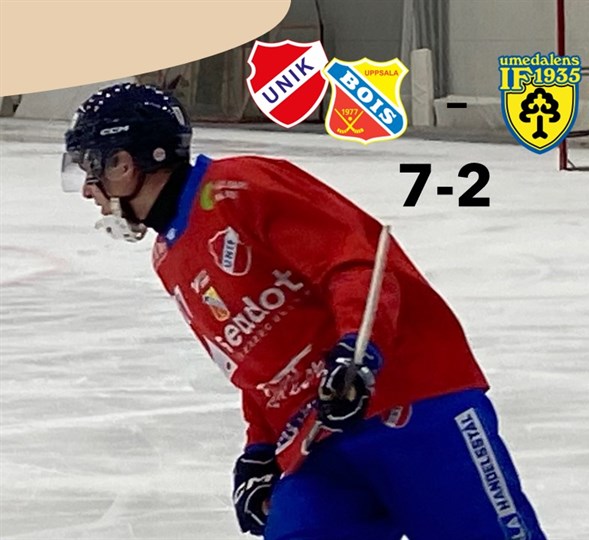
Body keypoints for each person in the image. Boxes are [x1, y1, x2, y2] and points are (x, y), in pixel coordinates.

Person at [61, 83, 545, 540]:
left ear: (126, 162)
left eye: (92, 166)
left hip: (412, 401)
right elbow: (254, 363)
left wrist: (358, 353)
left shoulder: (241, 186)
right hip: (318, 441)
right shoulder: (168, 256)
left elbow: (354, 265)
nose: (87, 189)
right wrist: (260, 450)